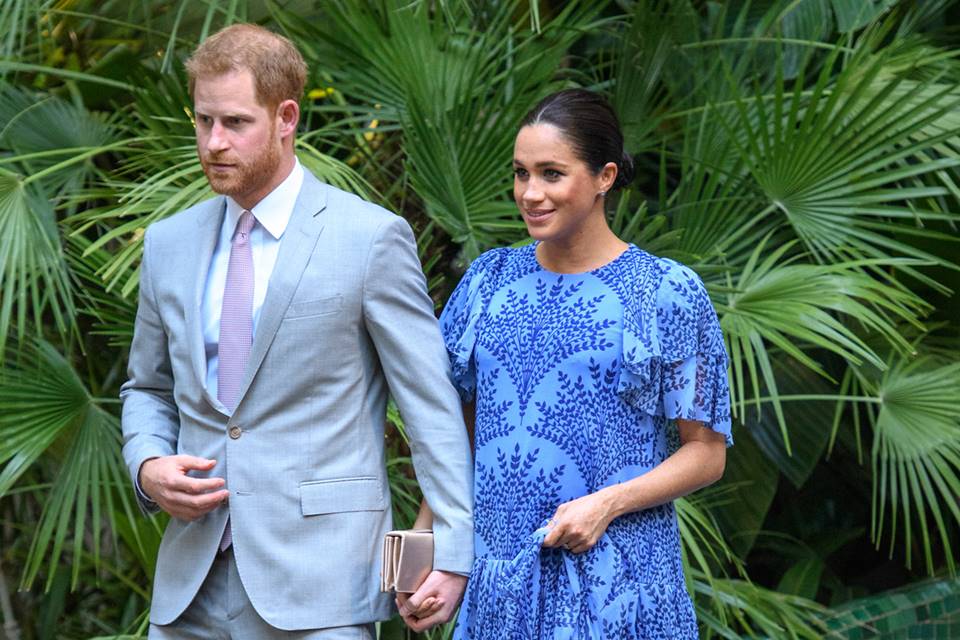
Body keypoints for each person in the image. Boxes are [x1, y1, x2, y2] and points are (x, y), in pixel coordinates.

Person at [120, 23, 473, 639]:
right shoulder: (166, 244)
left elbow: (430, 411)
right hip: (188, 590)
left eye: (234, 122)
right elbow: (146, 389)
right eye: (202, 121)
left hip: (325, 589)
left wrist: (446, 552)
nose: (213, 143)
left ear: (286, 117)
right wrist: (147, 464)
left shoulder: (370, 238)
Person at [408, 88, 732, 638]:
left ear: (605, 176)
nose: (530, 193)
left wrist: (607, 504)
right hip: (499, 582)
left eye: (551, 174)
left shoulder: (667, 294)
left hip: (618, 586)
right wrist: (426, 550)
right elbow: (455, 430)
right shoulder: (488, 282)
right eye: (520, 174)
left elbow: (706, 452)